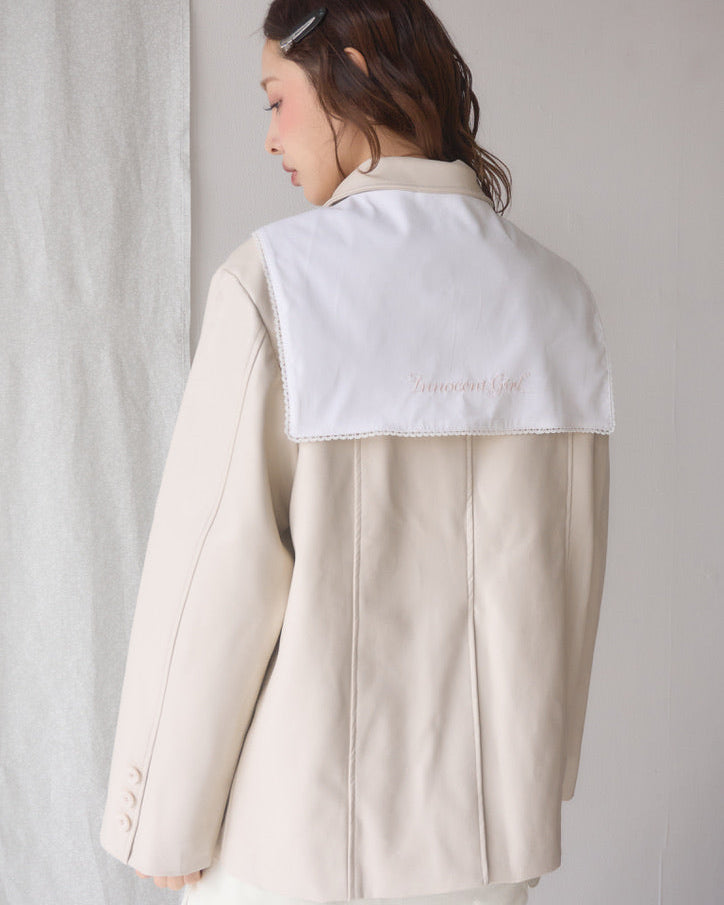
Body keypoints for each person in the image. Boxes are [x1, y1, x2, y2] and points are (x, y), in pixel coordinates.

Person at [99, 2, 614, 905]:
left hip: (291, 847)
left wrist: (161, 815)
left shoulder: (274, 284)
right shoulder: (559, 299)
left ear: (349, 71)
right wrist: (537, 778)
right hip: (486, 851)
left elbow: (215, 575)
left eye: (275, 99)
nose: (269, 136)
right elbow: (570, 579)